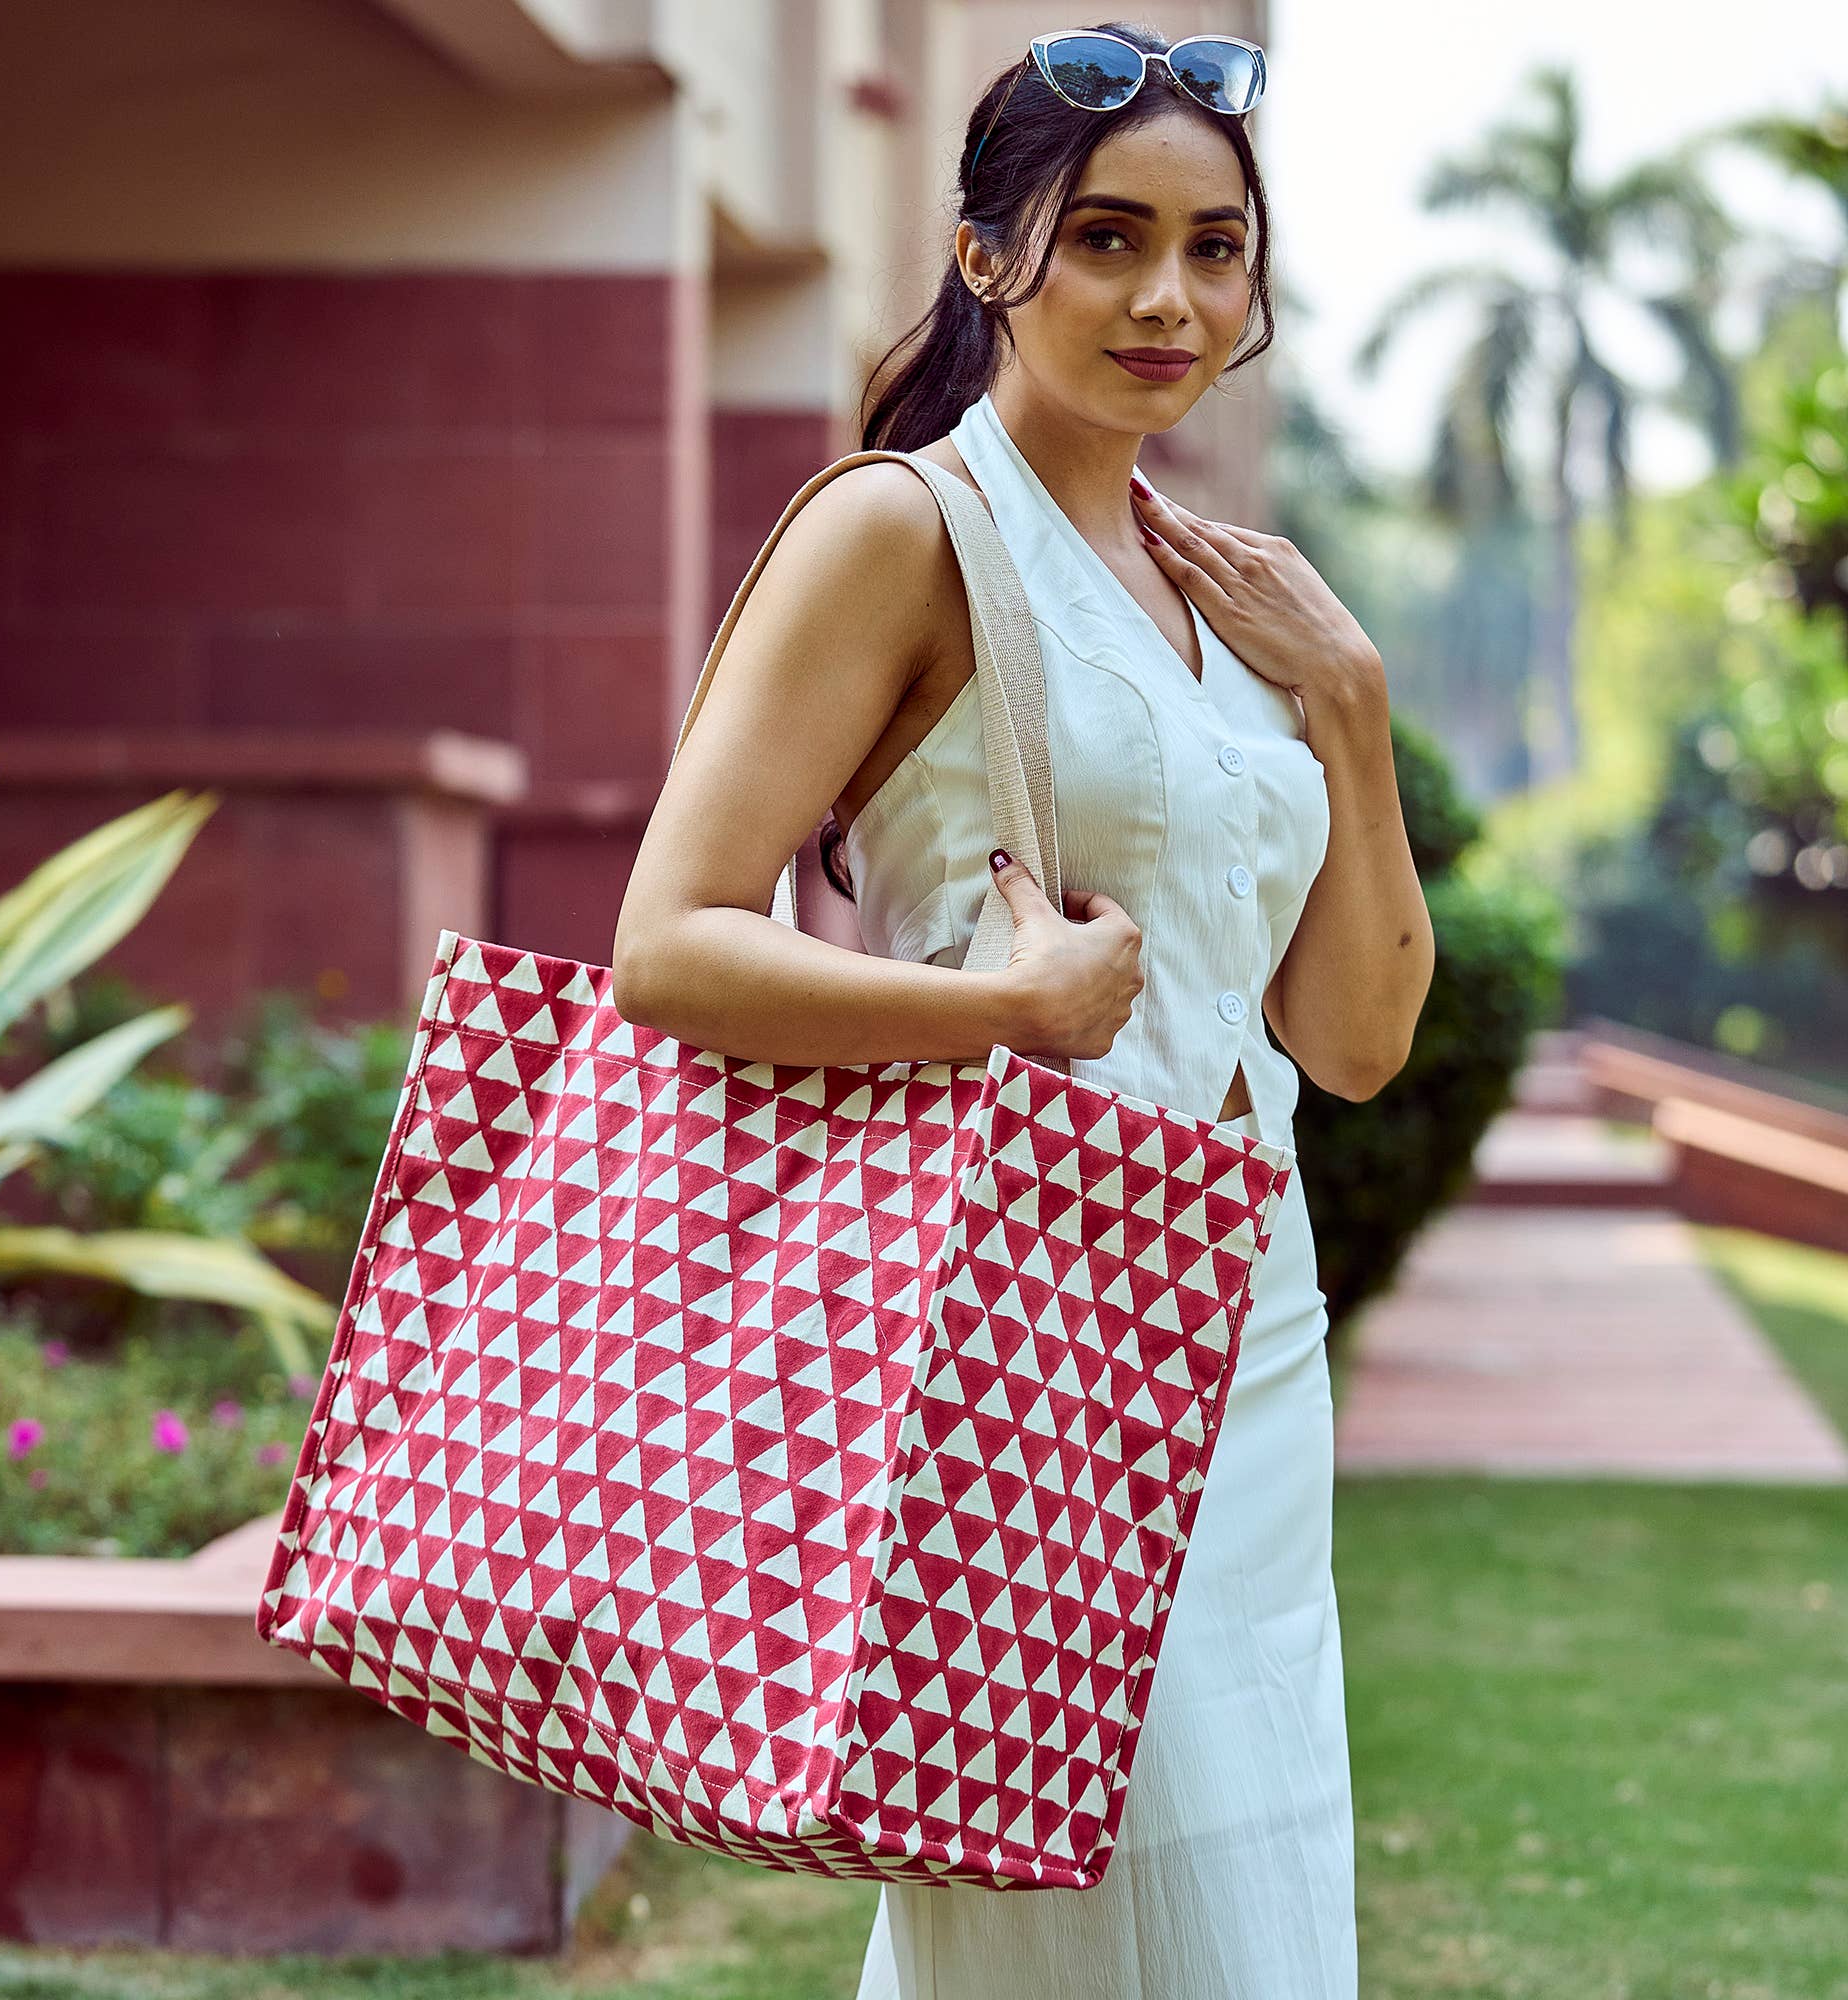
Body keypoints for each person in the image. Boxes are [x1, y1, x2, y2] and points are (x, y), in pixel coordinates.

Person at [611, 19, 1433, 1998]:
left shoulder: (1231, 597)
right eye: (1107, 240)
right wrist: (1001, 1010)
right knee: (1074, 1912)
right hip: (1018, 1336)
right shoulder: (902, 529)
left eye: (1215, 249)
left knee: (1238, 1910)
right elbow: (668, 942)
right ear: (990, 258)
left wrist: (1350, 709)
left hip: (1241, 1332)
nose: (1167, 297)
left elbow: (1348, 1040)